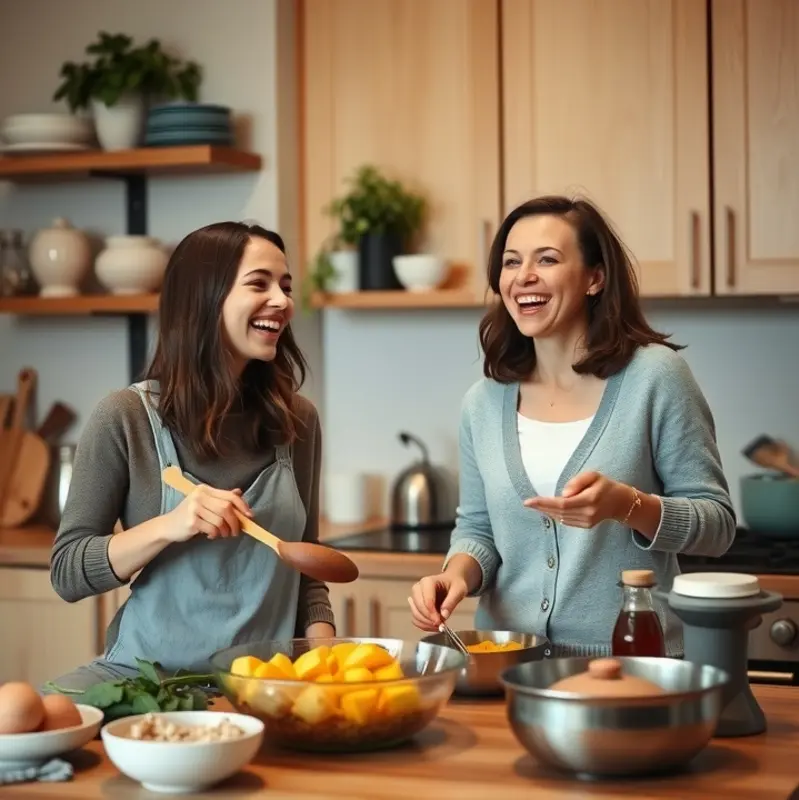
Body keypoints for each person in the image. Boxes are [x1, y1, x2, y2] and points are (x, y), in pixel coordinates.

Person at [408, 196, 735, 657]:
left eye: (548, 259)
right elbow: (478, 531)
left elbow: (717, 526)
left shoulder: (655, 378)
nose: (524, 276)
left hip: (630, 662)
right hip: (507, 662)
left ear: (595, 278)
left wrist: (627, 504)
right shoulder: (482, 403)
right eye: (511, 262)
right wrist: (454, 575)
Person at [46, 221, 335, 690]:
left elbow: (307, 574)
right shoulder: (124, 417)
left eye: (285, 286)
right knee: (23, 727)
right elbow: (68, 572)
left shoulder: (297, 422)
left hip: (262, 684)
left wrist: (327, 664)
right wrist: (172, 525)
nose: (282, 301)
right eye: (259, 284)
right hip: (141, 680)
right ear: (204, 298)